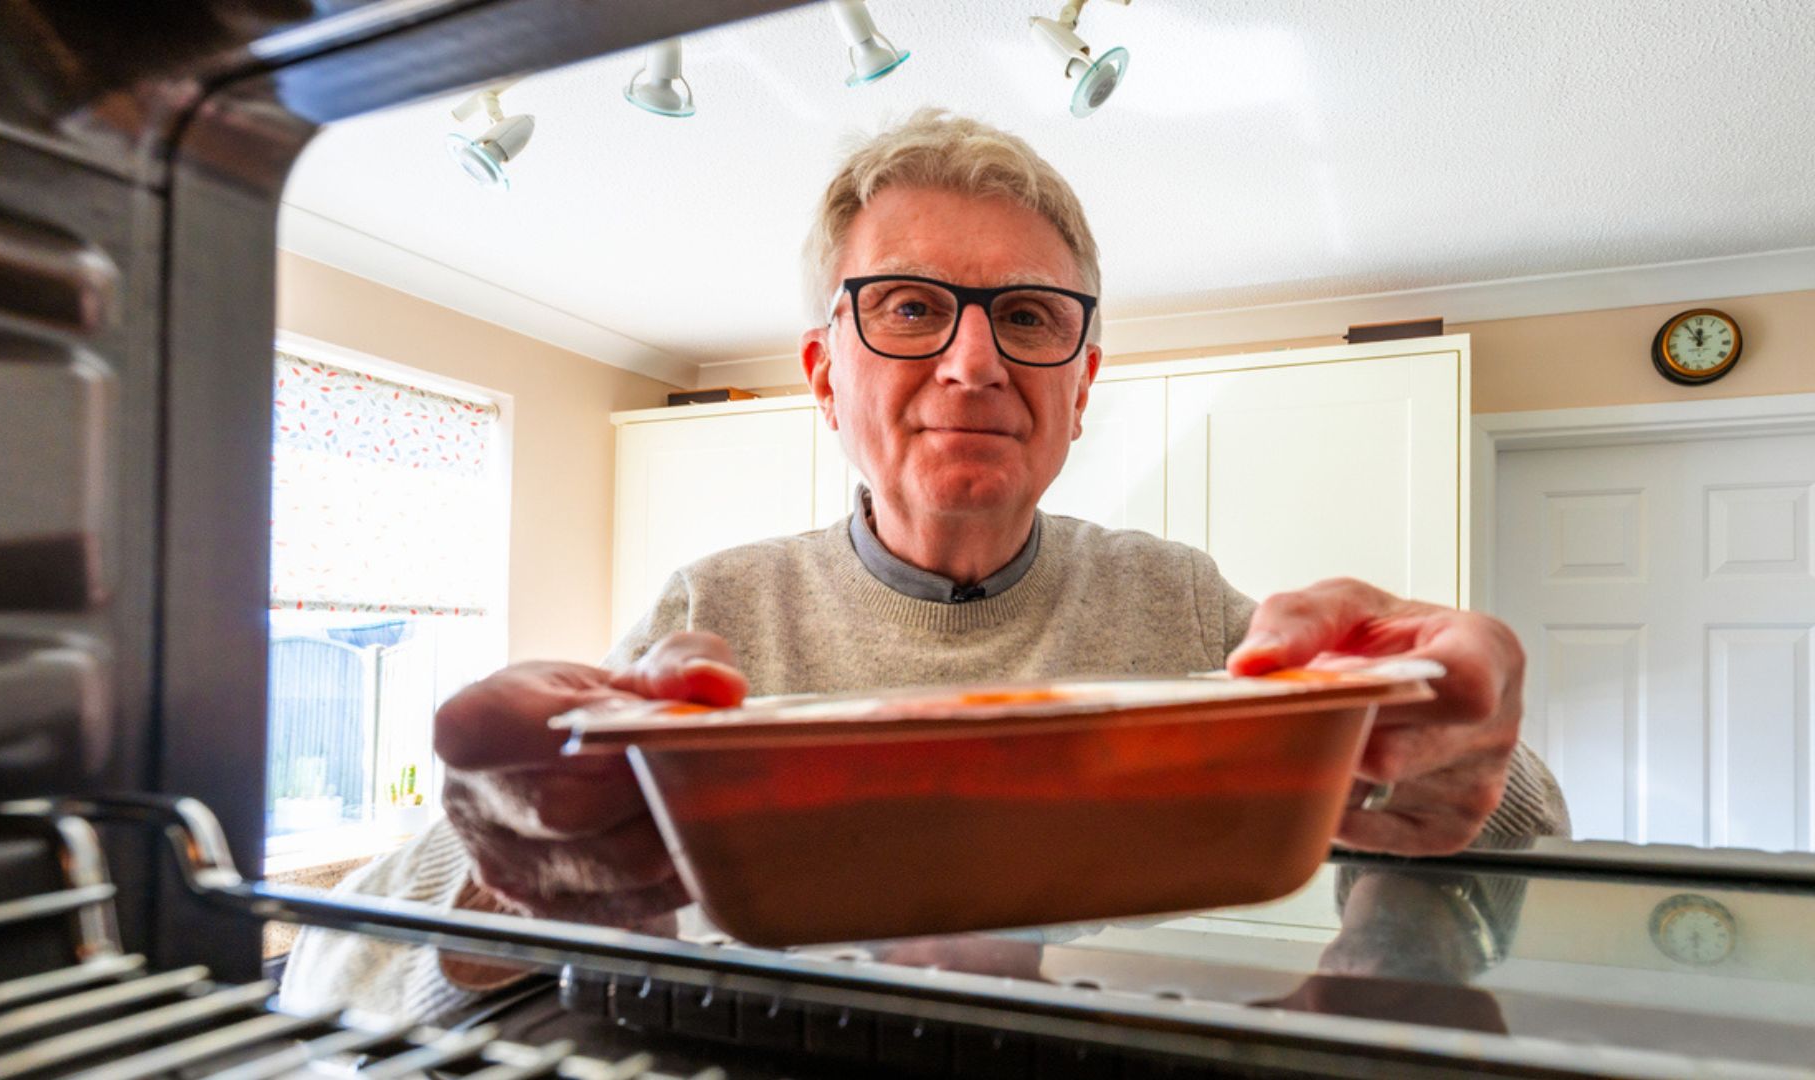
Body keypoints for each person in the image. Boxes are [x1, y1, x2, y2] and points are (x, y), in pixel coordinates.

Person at [282, 109, 1569, 1021]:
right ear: (822, 374)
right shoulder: (715, 609)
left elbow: (1516, 825)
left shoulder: (1171, 596)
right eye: (908, 307)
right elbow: (345, 981)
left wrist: (1447, 758)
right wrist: (517, 887)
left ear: (1082, 386)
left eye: (1026, 315)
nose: (974, 363)